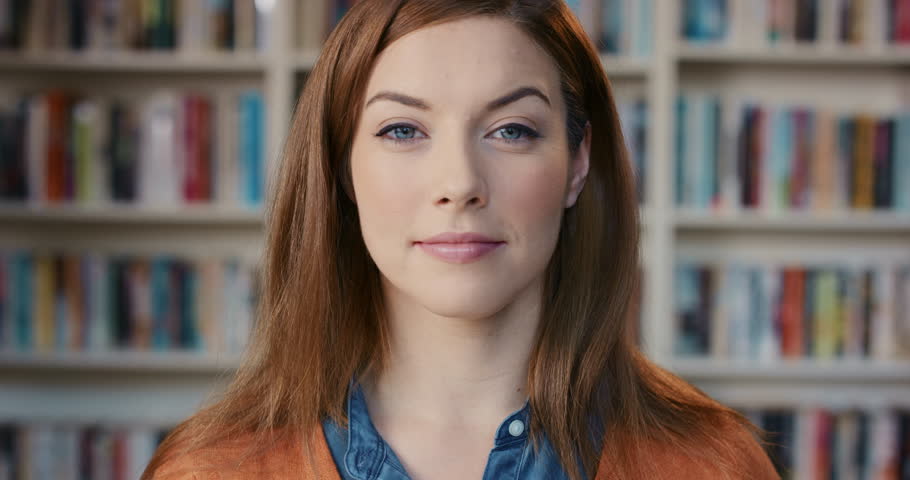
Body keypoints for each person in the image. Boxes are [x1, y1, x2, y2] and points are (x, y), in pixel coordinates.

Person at [143, 1, 779, 478]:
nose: (460, 184)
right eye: (401, 130)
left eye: (511, 131)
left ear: (577, 164)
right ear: (342, 167)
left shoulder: (713, 464)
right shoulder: (208, 469)